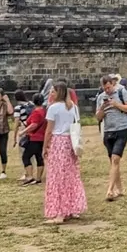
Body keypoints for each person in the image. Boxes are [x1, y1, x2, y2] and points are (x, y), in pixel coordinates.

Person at [43, 81, 87, 223]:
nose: (51, 94)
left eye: (53, 91)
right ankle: (72, 207)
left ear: (58, 93)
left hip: (58, 142)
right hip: (70, 142)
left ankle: (59, 211)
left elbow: (49, 130)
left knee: (57, 177)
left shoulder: (53, 108)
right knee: (71, 175)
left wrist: (45, 147)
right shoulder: (72, 107)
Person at [95, 73, 127, 201]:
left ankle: (110, 190)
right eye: (105, 89)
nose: (107, 91)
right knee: (113, 162)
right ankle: (120, 188)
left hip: (121, 129)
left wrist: (116, 104)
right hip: (108, 131)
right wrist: (102, 108)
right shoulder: (101, 98)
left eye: (109, 87)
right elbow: (98, 117)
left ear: (112, 84)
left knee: (115, 159)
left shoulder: (122, 92)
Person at [18, 93, 47, 185]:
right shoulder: (44, 111)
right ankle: (38, 178)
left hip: (34, 137)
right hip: (42, 137)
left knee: (26, 157)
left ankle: (30, 176)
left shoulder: (36, 112)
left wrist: (23, 131)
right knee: (39, 157)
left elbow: (34, 125)